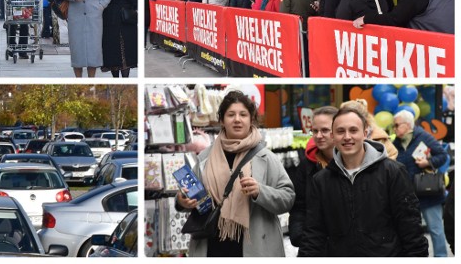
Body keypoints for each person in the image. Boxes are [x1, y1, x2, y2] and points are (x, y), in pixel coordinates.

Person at [176, 91, 295, 257]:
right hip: (211, 246)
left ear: (251, 119)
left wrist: (260, 191)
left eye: (243, 114)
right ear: (222, 120)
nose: (237, 119)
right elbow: (192, 196)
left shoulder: (266, 157)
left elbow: (288, 198)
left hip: (254, 248)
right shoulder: (205, 158)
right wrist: (182, 201)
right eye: (231, 114)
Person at [299, 107, 428, 257]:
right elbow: (314, 233)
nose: (347, 137)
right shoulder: (321, 180)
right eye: (341, 131)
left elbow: (410, 227)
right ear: (333, 136)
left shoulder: (392, 172)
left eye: (353, 130)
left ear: (365, 133)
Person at [392, 109, 449, 257]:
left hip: (428, 193)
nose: (394, 128)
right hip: (408, 195)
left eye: (397, 125)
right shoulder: (395, 143)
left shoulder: (423, 136)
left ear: (407, 124)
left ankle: (441, 257)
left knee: (435, 229)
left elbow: (442, 155)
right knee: (411, 231)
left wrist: (428, 162)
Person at [288, 106, 338, 249]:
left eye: (324, 130)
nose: (318, 135)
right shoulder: (307, 163)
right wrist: (300, 237)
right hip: (313, 246)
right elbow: (299, 205)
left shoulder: (351, 161)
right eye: (315, 131)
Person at [101, 0, 137, 78]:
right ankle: (115, 78)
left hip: (127, 21)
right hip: (110, 21)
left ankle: (125, 78)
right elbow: (100, 0)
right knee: (112, 53)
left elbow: (137, 0)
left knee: (127, 52)